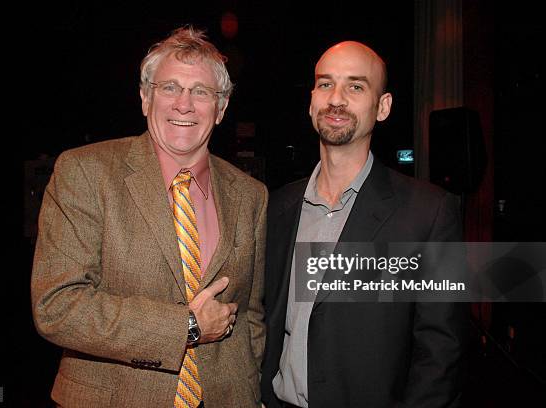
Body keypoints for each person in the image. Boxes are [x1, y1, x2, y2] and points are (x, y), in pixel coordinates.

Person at [32, 26, 267, 408]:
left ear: (221, 109)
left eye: (201, 92)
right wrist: (186, 328)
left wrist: (249, 389)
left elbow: (251, 316)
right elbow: (58, 306)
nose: (184, 104)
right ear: (145, 98)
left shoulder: (251, 195)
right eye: (170, 87)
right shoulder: (86, 172)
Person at [261, 41, 466, 407]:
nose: (336, 98)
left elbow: (440, 354)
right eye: (325, 84)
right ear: (311, 101)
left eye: (355, 86)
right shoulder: (275, 207)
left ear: (382, 106)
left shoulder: (429, 213)